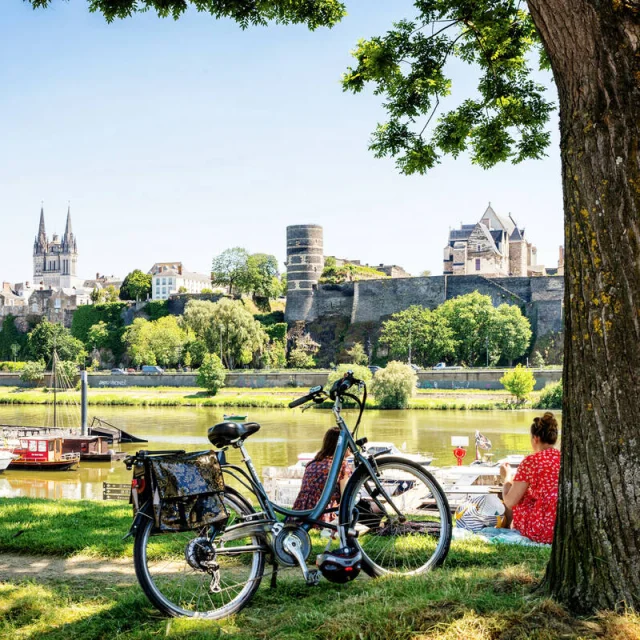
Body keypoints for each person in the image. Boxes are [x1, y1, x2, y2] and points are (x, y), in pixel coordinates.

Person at [500, 412, 561, 544]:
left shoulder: (531, 461)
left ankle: (509, 527)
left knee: (518, 498)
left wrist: (507, 477)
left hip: (542, 529)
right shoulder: (563, 458)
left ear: (536, 438)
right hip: (561, 527)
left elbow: (510, 502)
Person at [291, 427, 351, 522]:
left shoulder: (312, 463)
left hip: (300, 512)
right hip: (323, 513)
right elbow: (346, 498)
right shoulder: (341, 465)